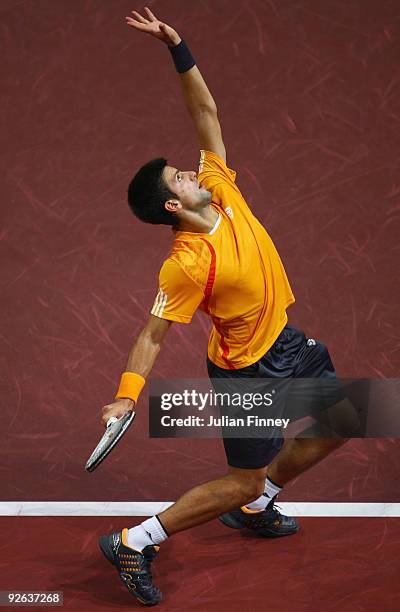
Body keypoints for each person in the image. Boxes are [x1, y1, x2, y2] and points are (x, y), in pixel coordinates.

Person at [98, 7, 347, 606]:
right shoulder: (185, 264)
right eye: (180, 178)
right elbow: (154, 332)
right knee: (239, 479)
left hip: (287, 342)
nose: (191, 172)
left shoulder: (223, 187)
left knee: (348, 418)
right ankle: (137, 539)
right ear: (172, 209)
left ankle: (259, 505)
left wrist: (176, 45)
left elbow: (205, 112)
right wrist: (128, 394)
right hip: (247, 375)